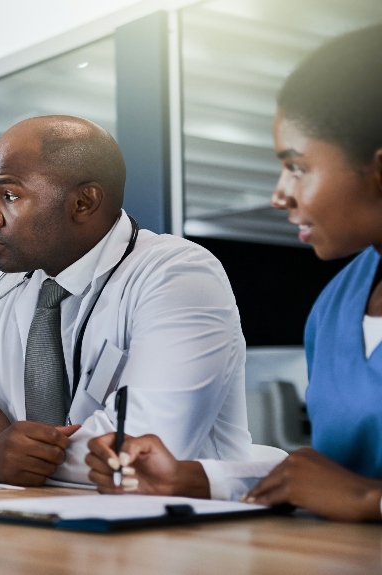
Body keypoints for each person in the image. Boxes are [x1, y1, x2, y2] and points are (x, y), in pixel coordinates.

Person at [86, 24, 382, 522]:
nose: (279, 194)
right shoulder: (336, 306)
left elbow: (353, 491)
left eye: (298, 167)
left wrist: (369, 500)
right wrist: (193, 477)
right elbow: (328, 479)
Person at [0, 115, 251, 486]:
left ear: (83, 202)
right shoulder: (3, 284)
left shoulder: (178, 275)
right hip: (34, 527)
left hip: (180, 535)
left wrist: (10, 441)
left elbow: (143, 457)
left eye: (10, 195)